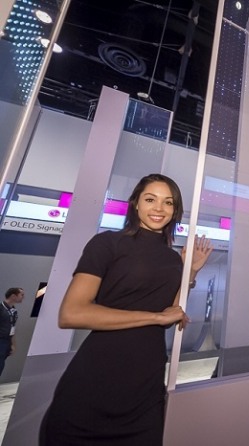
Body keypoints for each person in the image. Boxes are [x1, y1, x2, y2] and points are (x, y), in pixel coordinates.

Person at [40, 174, 213, 445]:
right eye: (150, 199)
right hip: (94, 382)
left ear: (175, 210)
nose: (159, 208)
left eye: (168, 202)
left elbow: (171, 314)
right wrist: (155, 316)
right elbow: (72, 313)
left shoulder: (172, 258)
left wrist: (189, 272)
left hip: (146, 388)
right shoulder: (107, 243)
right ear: (135, 203)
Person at [0, 287, 24, 377]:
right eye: (21, 295)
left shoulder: (14, 311)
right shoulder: (1, 308)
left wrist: (12, 344)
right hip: (1, 340)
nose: (23, 297)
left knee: (1, 364)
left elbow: (12, 328)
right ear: (13, 296)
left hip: (7, 341)